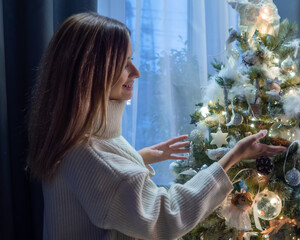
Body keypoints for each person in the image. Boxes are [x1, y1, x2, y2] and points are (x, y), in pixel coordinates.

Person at [27, 12, 286, 240]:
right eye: (124, 62)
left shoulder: (75, 136)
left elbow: (98, 187)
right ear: (92, 70)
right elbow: (166, 217)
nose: (136, 71)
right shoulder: (90, 152)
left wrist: (137, 158)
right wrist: (233, 156)